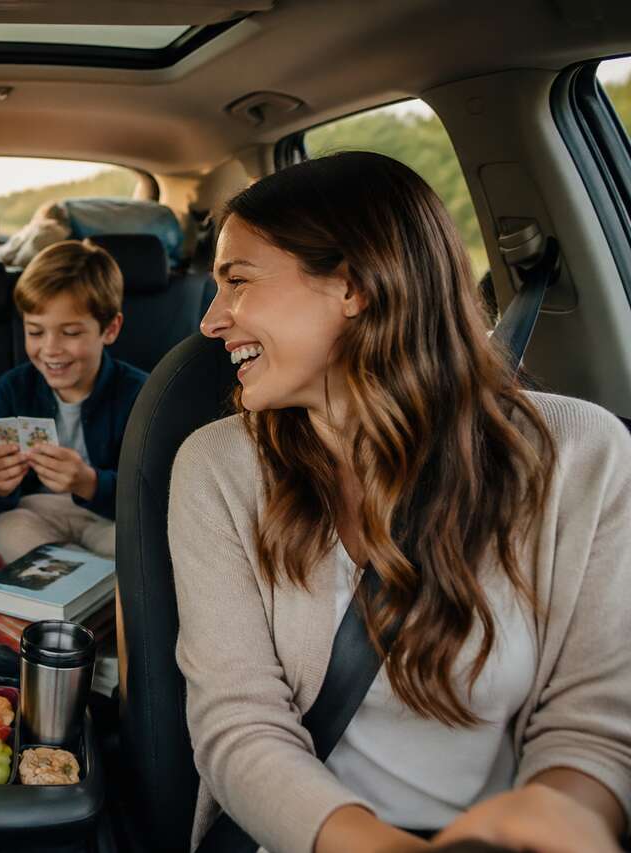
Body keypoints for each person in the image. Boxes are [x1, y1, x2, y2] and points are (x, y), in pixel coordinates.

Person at [169, 151, 631, 853]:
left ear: (352, 285)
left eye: (236, 282)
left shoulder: (581, 454)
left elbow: (594, 720)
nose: (211, 322)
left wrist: (546, 821)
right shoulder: (217, 467)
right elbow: (239, 722)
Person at [0, 240, 148, 563]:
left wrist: (89, 483)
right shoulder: (13, 389)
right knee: (5, 529)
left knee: (143, 542)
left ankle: (69, 575)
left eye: (69, 333)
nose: (51, 349)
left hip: (109, 517)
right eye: (36, 333)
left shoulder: (138, 394)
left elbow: (146, 493)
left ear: (110, 329)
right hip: (38, 512)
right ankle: (91, 579)